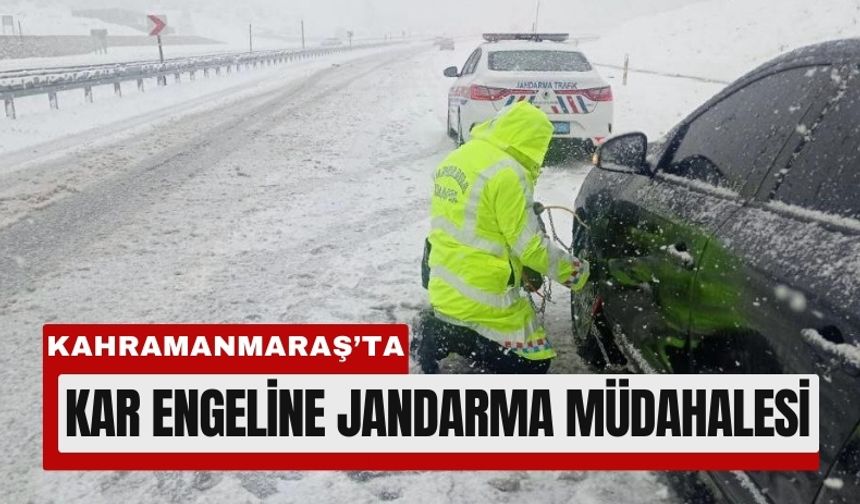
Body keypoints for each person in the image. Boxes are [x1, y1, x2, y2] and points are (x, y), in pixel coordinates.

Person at [416, 101, 589, 374]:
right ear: (533, 141)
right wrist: (578, 274)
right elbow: (531, 249)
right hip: (486, 299)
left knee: (461, 321)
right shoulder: (509, 173)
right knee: (536, 361)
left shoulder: (461, 156)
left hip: (444, 287)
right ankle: (474, 346)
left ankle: (444, 331)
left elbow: (476, 220)